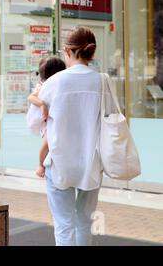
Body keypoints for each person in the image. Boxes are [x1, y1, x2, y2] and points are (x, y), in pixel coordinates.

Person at [26, 26, 117, 246]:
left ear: (67, 50)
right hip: (91, 163)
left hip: (58, 163)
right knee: (85, 222)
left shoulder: (54, 82)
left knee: (64, 225)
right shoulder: (103, 81)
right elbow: (112, 118)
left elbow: (34, 122)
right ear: (91, 53)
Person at [28, 56, 66, 178]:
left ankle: (47, 162)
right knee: (47, 143)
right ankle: (40, 165)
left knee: (51, 144)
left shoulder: (56, 85)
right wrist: (42, 104)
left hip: (49, 120)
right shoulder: (44, 86)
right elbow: (31, 97)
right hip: (45, 122)